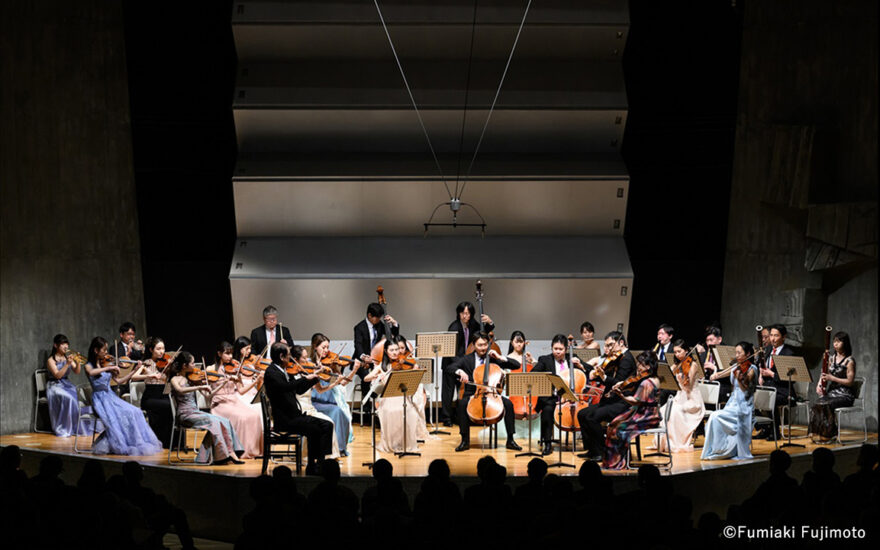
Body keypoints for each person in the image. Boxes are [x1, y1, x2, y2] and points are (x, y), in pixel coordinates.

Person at [262, 342, 334, 475]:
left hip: (294, 415)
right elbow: (286, 387)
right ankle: (315, 466)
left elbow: (299, 390)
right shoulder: (271, 372)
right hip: (285, 419)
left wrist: (315, 377)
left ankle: (318, 463)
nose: (290, 359)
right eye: (288, 356)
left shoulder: (282, 370)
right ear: (281, 356)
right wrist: (305, 378)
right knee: (316, 428)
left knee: (327, 425)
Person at [83, 337, 162, 456]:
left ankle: (134, 442)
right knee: (125, 414)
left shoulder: (106, 363)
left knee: (135, 411)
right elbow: (91, 373)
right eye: (104, 350)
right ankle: (121, 441)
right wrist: (109, 368)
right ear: (96, 350)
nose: (106, 353)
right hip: (100, 399)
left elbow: (120, 381)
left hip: (110, 396)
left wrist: (133, 371)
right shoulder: (88, 365)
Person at [444, 331, 521, 452]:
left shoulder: (493, 358)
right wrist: (460, 371)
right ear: (474, 345)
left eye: (485, 345)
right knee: (462, 403)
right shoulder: (466, 359)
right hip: (473, 394)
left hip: (492, 393)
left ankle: (510, 439)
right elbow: (449, 368)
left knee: (508, 404)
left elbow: (516, 365)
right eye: (480, 345)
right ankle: (465, 440)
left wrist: (501, 357)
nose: (483, 348)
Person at [166, 352, 245, 464]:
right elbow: (180, 390)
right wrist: (200, 386)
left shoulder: (192, 379)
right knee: (213, 422)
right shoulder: (175, 379)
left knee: (224, 420)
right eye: (192, 363)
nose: (195, 366)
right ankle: (223, 455)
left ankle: (228, 452)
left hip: (195, 412)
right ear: (184, 366)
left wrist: (223, 383)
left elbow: (208, 395)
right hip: (185, 415)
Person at [576, 331, 636, 461]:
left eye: (610, 345)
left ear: (621, 343)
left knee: (592, 418)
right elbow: (605, 378)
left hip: (622, 403)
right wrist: (590, 371)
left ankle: (603, 451)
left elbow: (619, 384)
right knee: (582, 414)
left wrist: (604, 377)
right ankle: (592, 449)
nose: (607, 349)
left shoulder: (627, 359)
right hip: (611, 401)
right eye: (606, 346)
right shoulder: (616, 358)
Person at [363, 339, 428, 453]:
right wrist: (378, 377)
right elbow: (366, 378)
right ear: (386, 352)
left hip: (402, 398)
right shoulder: (381, 367)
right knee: (390, 411)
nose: (394, 352)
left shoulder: (404, 364)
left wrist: (415, 370)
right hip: (388, 399)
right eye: (391, 350)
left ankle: (404, 443)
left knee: (410, 412)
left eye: (396, 349)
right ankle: (391, 443)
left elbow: (414, 374)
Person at [603, 350, 662, 470]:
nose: (638, 367)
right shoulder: (652, 378)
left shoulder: (647, 382)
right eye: (639, 364)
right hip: (643, 411)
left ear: (649, 366)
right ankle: (614, 461)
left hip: (648, 416)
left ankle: (618, 462)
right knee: (613, 423)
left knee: (618, 429)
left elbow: (636, 401)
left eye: (641, 364)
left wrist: (622, 396)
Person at [531, 333, 589, 455]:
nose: (557, 352)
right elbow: (534, 374)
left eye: (560, 349)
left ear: (566, 349)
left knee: (585, 412)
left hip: (571, 398)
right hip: (552, 397)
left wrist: (580, 365)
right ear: (551, 348)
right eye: (555, 349)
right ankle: (547, 443)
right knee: (547, 410)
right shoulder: (544, 359)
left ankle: (587, 443)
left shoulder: (573, 358)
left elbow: (589, 371)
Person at [440, 301, 495, 426]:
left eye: (468, 313)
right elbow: (451, 350)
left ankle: (463, 417)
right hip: (451, 362)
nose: (465, 316)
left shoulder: (473, 324)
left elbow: (484, 333)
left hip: (463, 363)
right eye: (462, 313)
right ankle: (446, 419)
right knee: (448, 393)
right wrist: (459, 366)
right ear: (458, 314)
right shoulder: (454, 327)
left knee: (464, 391)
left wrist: (490, 322)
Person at [700, 341, 758, 460]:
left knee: (715, 416)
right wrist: (716, 375)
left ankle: (722, 449)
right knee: (714, 418)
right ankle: (720, 448)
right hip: (733, 403)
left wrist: (738, 377)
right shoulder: (737, 366)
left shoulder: (752, 369)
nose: (736, 356)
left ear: (747, 354)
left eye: (739, 353)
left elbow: (745, 388)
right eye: (735, 353)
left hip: (744, 406)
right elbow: (724, 372)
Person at [206, 341, 264, 458]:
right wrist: (224, 382)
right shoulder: (211, 369)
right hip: (220, 403)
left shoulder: (234, 368)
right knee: (241, 417)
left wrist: (256, 382)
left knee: (254, 415)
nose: (230, 357)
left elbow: (241, 391)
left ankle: (254, 451)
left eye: (231, 353)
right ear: (219, 353)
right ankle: (241, 451)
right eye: (227, 354)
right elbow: (209, 395)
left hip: (234, 401)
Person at [289, 344, 341, 458]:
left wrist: (334, 383)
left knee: (329, 422)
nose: (307, 360)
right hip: (299, 409)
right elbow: (299, 390)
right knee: (322, 424)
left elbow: (320, 390)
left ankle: (327, 456)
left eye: (307, 357)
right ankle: (312, 456)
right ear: (295, 360)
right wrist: (314, 374)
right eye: (304, 358)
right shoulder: (291, 375)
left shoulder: (309, 372)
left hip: (310, 407)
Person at [654, 339, 705, 452]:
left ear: (686, 351)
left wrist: (682, 382)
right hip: (680, 397)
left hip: (692, 398)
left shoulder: (693, 365)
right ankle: (665, 442)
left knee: (675, 412)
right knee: (664, 410)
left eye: (679, 351)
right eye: (675, 352)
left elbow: (689, 387)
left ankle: (676, 442)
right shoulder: (677, 365)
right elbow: (666, 374)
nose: (677, 354)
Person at [352, 302, 400, 420]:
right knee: (367, 376)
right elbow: (357, 346)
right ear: (369, 315)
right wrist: (364, 357)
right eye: (377, 317)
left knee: (385, 375)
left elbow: (393, 336)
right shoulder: (359, 327)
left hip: (377, 360)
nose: (379, 320)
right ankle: (368, 406)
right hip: (362, 361)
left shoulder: (379, 325)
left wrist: (394, 324)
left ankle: (383, 405)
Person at [310, 333, 355, 455]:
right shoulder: (310, 364)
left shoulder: (332, 363)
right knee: (337, 411)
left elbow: (343, 382)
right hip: (316, 400)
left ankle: (339, 447)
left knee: (343, 415)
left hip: (331, 399)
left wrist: (354, 369)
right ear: (315, 347)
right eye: (323, 347)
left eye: (327, 347)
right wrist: (317, 370)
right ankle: (336, 448)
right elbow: (318, 387)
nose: (326, 350)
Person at [809, 331, 856, 443]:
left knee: (827, 404)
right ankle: (818, 432)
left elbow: (850, 382)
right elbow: (824, 373)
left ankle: (829, 433)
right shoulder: (830, 358)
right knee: (818, 403)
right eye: (834, 341)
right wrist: (819, 384)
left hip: (845, 395)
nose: (835, 344)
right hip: (832, 393)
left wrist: (832, 378)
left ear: (845, 343)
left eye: (838, 341)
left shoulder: (850, 361)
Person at [44, 334, 91, 436]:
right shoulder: (50, 360)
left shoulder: (67, 357)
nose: (66, 346)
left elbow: (77, 371)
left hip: (66, 384)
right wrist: (67, 364)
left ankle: (75, 426)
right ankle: (66, 427)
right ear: (56, 345)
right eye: (62, 344)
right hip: (54, 385)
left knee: (77, 398)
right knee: (69, 399)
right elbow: (57, 375)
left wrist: (78, 361)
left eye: (66, 344)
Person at [130, 336, 173, 448]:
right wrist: (149, 375)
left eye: (163, 348)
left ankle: (171, 442)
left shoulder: (166, 363)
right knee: (169, 406)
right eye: (158, 349)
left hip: (163, 395)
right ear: (151, 350)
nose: (162, 352)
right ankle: (161, 440)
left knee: (173, 406)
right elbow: (134, 377)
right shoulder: (147, 363)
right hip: (150, 397)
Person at [757, 324, 796, 439]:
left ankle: (775, 432)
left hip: (784, 391)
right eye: (771, 335)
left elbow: (790, 379)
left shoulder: (789, 353)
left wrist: (771, 374)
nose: (773, 339)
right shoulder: (768, 350)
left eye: (776, 336)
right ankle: (765, 428)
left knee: (770, 400)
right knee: (752, 398)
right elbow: (762, 366)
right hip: (770, 388)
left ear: (784, 337)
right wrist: (761, 375)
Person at [697, 325, 732, 404]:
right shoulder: (705, 352)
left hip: (721, 385)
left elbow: (729, 372)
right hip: (707, 384)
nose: (708, 343)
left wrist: (714, 368)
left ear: (719, 339)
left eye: (711, 340)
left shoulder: (725, 351)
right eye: (707, 340)